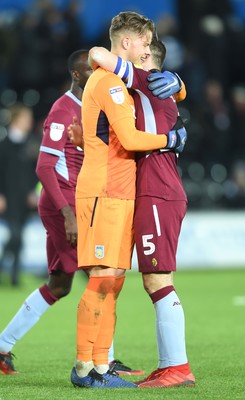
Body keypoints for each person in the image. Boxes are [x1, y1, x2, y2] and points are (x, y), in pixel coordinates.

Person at [0, 49, 143, 377]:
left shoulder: (93, 106)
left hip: (82, 204)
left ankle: (3, 346)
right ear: (77, 75)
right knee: (101, 275)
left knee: (62, 285)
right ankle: (103, 359)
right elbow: (45, 166)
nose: (98, 74)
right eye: (90, 70)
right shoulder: (64, 110)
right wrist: (67, 214)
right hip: (64, 206)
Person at [69, 11, 187, 389]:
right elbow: (97, 55)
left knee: (125, 278)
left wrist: (179, 82)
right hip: (115, 190)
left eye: (152, 46)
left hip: (145, 191)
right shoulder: (119, 82)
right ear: (129, 44)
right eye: (144, 41)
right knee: (110, 277)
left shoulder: (147, 82)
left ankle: (122, 366)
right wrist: (173, 137)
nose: (147, 47)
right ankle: (89, 368)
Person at [0, 103, 38, 287]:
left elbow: (35, 171)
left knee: (18, 236)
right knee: (16, 235)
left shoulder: (30, 143)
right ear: (16, 120)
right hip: (8, 198)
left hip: (25, 198)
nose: (29, 121)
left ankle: (9, 273)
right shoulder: (4, 145)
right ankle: (13, 277)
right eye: (25, 118)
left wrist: (33, 191)